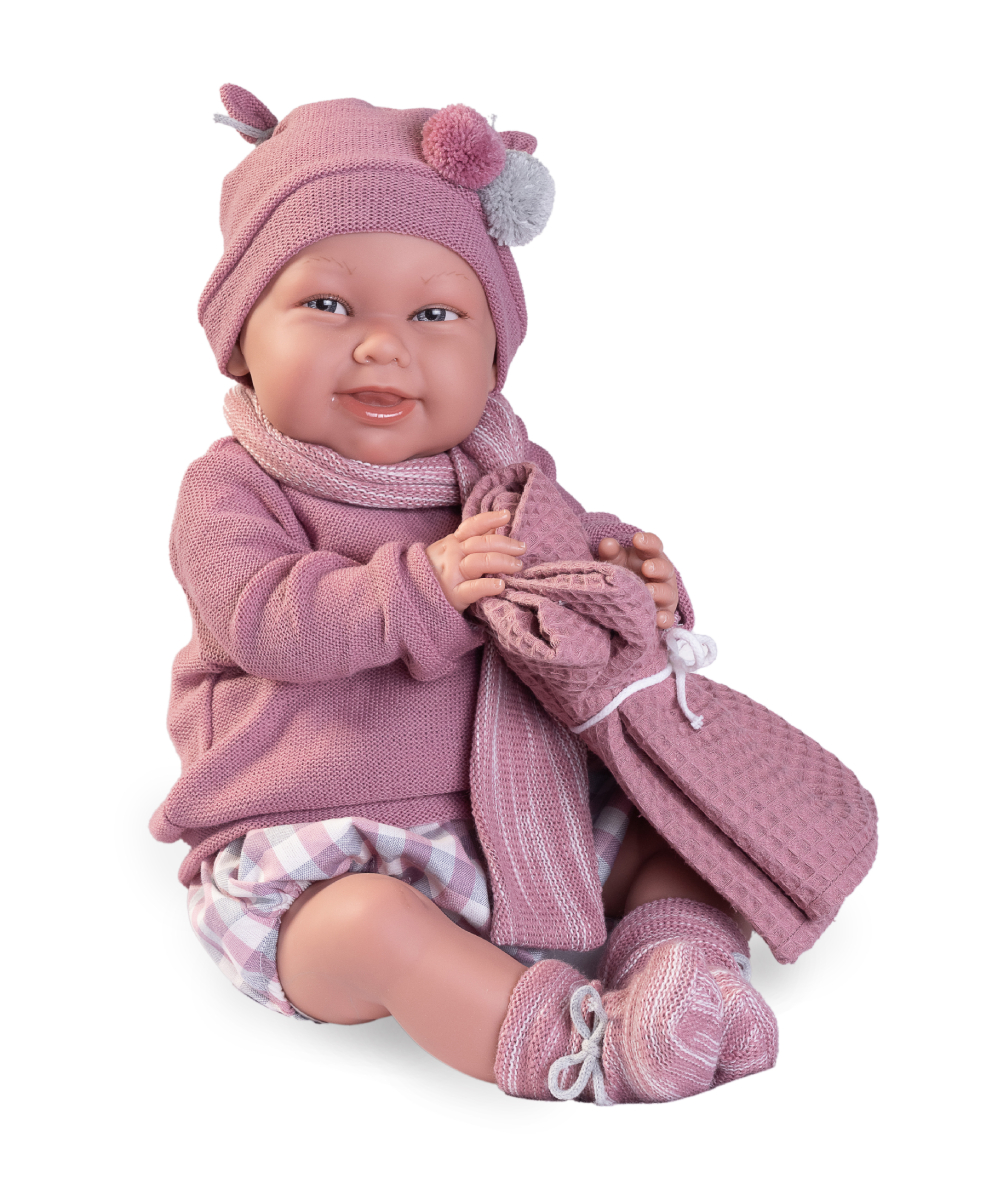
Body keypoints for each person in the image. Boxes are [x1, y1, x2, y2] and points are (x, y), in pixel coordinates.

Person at [151, 87, 778, 1105]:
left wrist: (635, 590)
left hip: (521, 823)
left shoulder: (506, 477)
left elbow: (569, 584)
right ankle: (586, 1049)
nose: (381, 345)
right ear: (239, 337)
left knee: (691, 830)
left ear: (491, 359)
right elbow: (266, 619)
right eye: (328, 305)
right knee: (374, 932)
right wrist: (426, 584)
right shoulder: (234, 487)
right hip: (325, 846)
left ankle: (683, 968)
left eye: (435, 314)